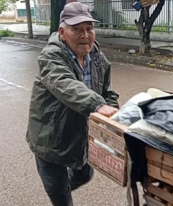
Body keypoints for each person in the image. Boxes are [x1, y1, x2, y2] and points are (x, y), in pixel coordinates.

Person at [26, 2, 119, 206]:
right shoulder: (51, 57)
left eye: (89, 29)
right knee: (59, 195)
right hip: (50, 141)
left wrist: (114, 115)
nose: (85, 35)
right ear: (62, 32)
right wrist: (97, 105)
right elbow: (64, 83)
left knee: (85, 175)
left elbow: (108, 92)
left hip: (80, 137)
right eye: (76, 29)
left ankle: (63, 189)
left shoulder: (97, 58)